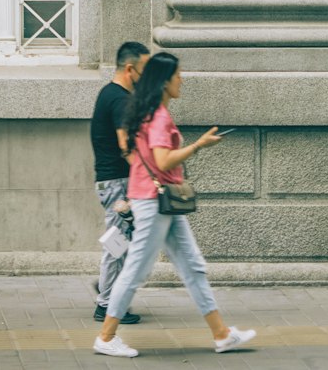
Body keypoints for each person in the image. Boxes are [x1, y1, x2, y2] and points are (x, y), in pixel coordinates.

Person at [93, 51, 257, 359]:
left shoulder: (149, 112)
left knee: (192, 265)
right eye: (178, 75)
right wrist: (198, 146)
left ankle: (222, 334)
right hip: (153, 203)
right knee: (136, 269)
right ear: (164, 81)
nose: (182, 79)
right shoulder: (158, 117)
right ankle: (105, 336)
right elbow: (162, 160)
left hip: (161, 201)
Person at [90, 40, 150, 324]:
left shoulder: (107, 93)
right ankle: (106, 305)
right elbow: (126, 147)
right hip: (117, 183)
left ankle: (107, 289)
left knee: (123, 242)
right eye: (144, 71)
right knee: (117, 244)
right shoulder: (121, 100)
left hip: (110, 181)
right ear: (130, 69)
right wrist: (151, 175)